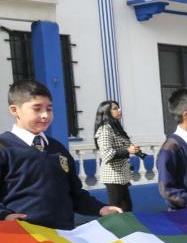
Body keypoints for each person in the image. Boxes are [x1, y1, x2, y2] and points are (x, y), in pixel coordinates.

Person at [1, 80, 121, 229]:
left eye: (49, 109)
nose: (45, 115)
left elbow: (75, 194)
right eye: (37, 109)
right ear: (14, 110)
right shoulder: (4, 148)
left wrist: (101, 209)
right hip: (24, 235)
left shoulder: (57, 148)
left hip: (62, 234)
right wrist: (4, 215)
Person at [94, 100, 141, 212]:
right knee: (117, 209)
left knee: (126, 207)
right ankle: (114, 224)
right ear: (106, 112)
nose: (119, 110)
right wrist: (127, 151)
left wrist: (134, 150)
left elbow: (123, 145)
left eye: (118, 107)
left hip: (122, 175)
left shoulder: (115, 127)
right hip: (113, 175)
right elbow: (107, 153)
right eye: (115, 108)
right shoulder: (105, 129)